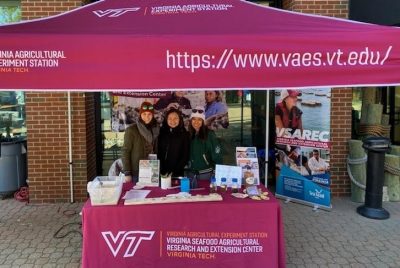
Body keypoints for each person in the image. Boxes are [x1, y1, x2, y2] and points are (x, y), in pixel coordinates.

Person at [121, 101, 160, 182]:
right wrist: (127, 173)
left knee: (153, 193)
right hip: (137, 171)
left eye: (149, 114)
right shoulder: (132, 130)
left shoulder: (156, 128)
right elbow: (125, 151)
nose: (147, 117)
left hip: (153, 169)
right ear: (140, 115)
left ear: (153, 115)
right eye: (144, 114)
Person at [188, 106, 223, 180]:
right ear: (190, 121)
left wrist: (217, 171)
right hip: (191, 173)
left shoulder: (209, 134)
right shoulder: (189, 134)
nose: (196, 122)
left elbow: (217, 155)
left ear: (203, 121)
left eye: (199, 120)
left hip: (206, 174)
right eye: (193, 119)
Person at [158, 108, 190, 177]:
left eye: (176, 118)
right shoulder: (161, 132)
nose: (173, 121)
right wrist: (160, 168)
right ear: (166, 119)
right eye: (170, 118)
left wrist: (175, 171)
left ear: (180, 119)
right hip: (161, 172)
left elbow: (185, 156)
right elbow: (158, 151)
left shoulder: (184, 134)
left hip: (177, 173)